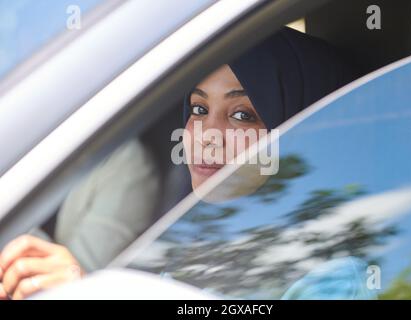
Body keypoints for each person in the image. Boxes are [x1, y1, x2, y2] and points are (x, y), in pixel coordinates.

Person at [0, 26, 357, 299]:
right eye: (199, 109)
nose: (207, 134)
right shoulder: (199, 250)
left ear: (298, 128)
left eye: (243, 115)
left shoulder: (331, 277)